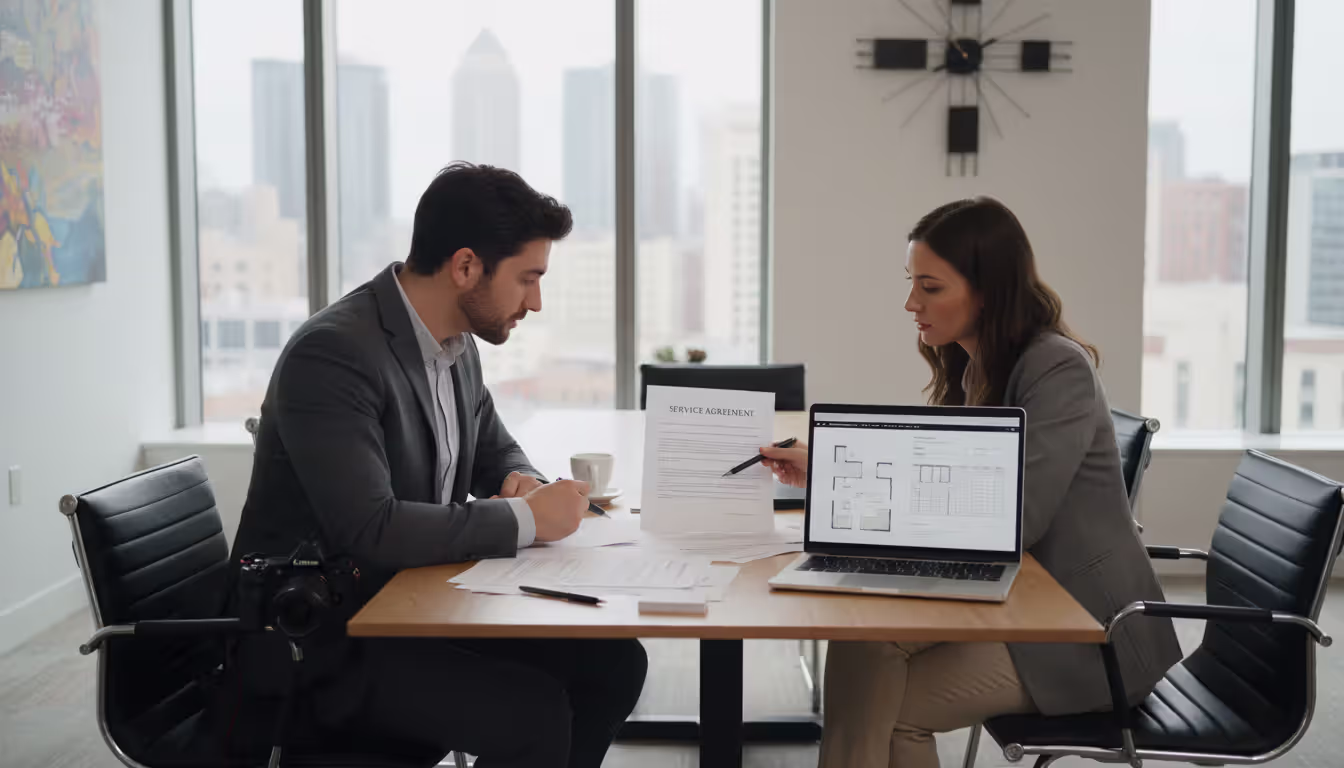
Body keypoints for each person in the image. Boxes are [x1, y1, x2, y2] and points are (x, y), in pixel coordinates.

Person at [225, 163, 647, 768]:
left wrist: (519, 481)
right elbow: (370, 528)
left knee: (614, 662)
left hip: (413, 605)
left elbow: (492, 447)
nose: (535, 302)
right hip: (325, 639)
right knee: (532, 715)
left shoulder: (455, 341)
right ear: (466, 266)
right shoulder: (334, 354)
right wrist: (529, 518)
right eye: (527, 279)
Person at [760, 197, 1182, 768]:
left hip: (1086, 632)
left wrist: (851, 482)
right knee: (862, 638)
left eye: (930, 287)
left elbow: (1012, 520)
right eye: (912, 283)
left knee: (888, 711)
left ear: (988, 291)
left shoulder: (1055, 367)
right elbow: (941, 480)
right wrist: (828, 469)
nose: (911, 303)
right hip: (1019, 599)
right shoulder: (974, 363)